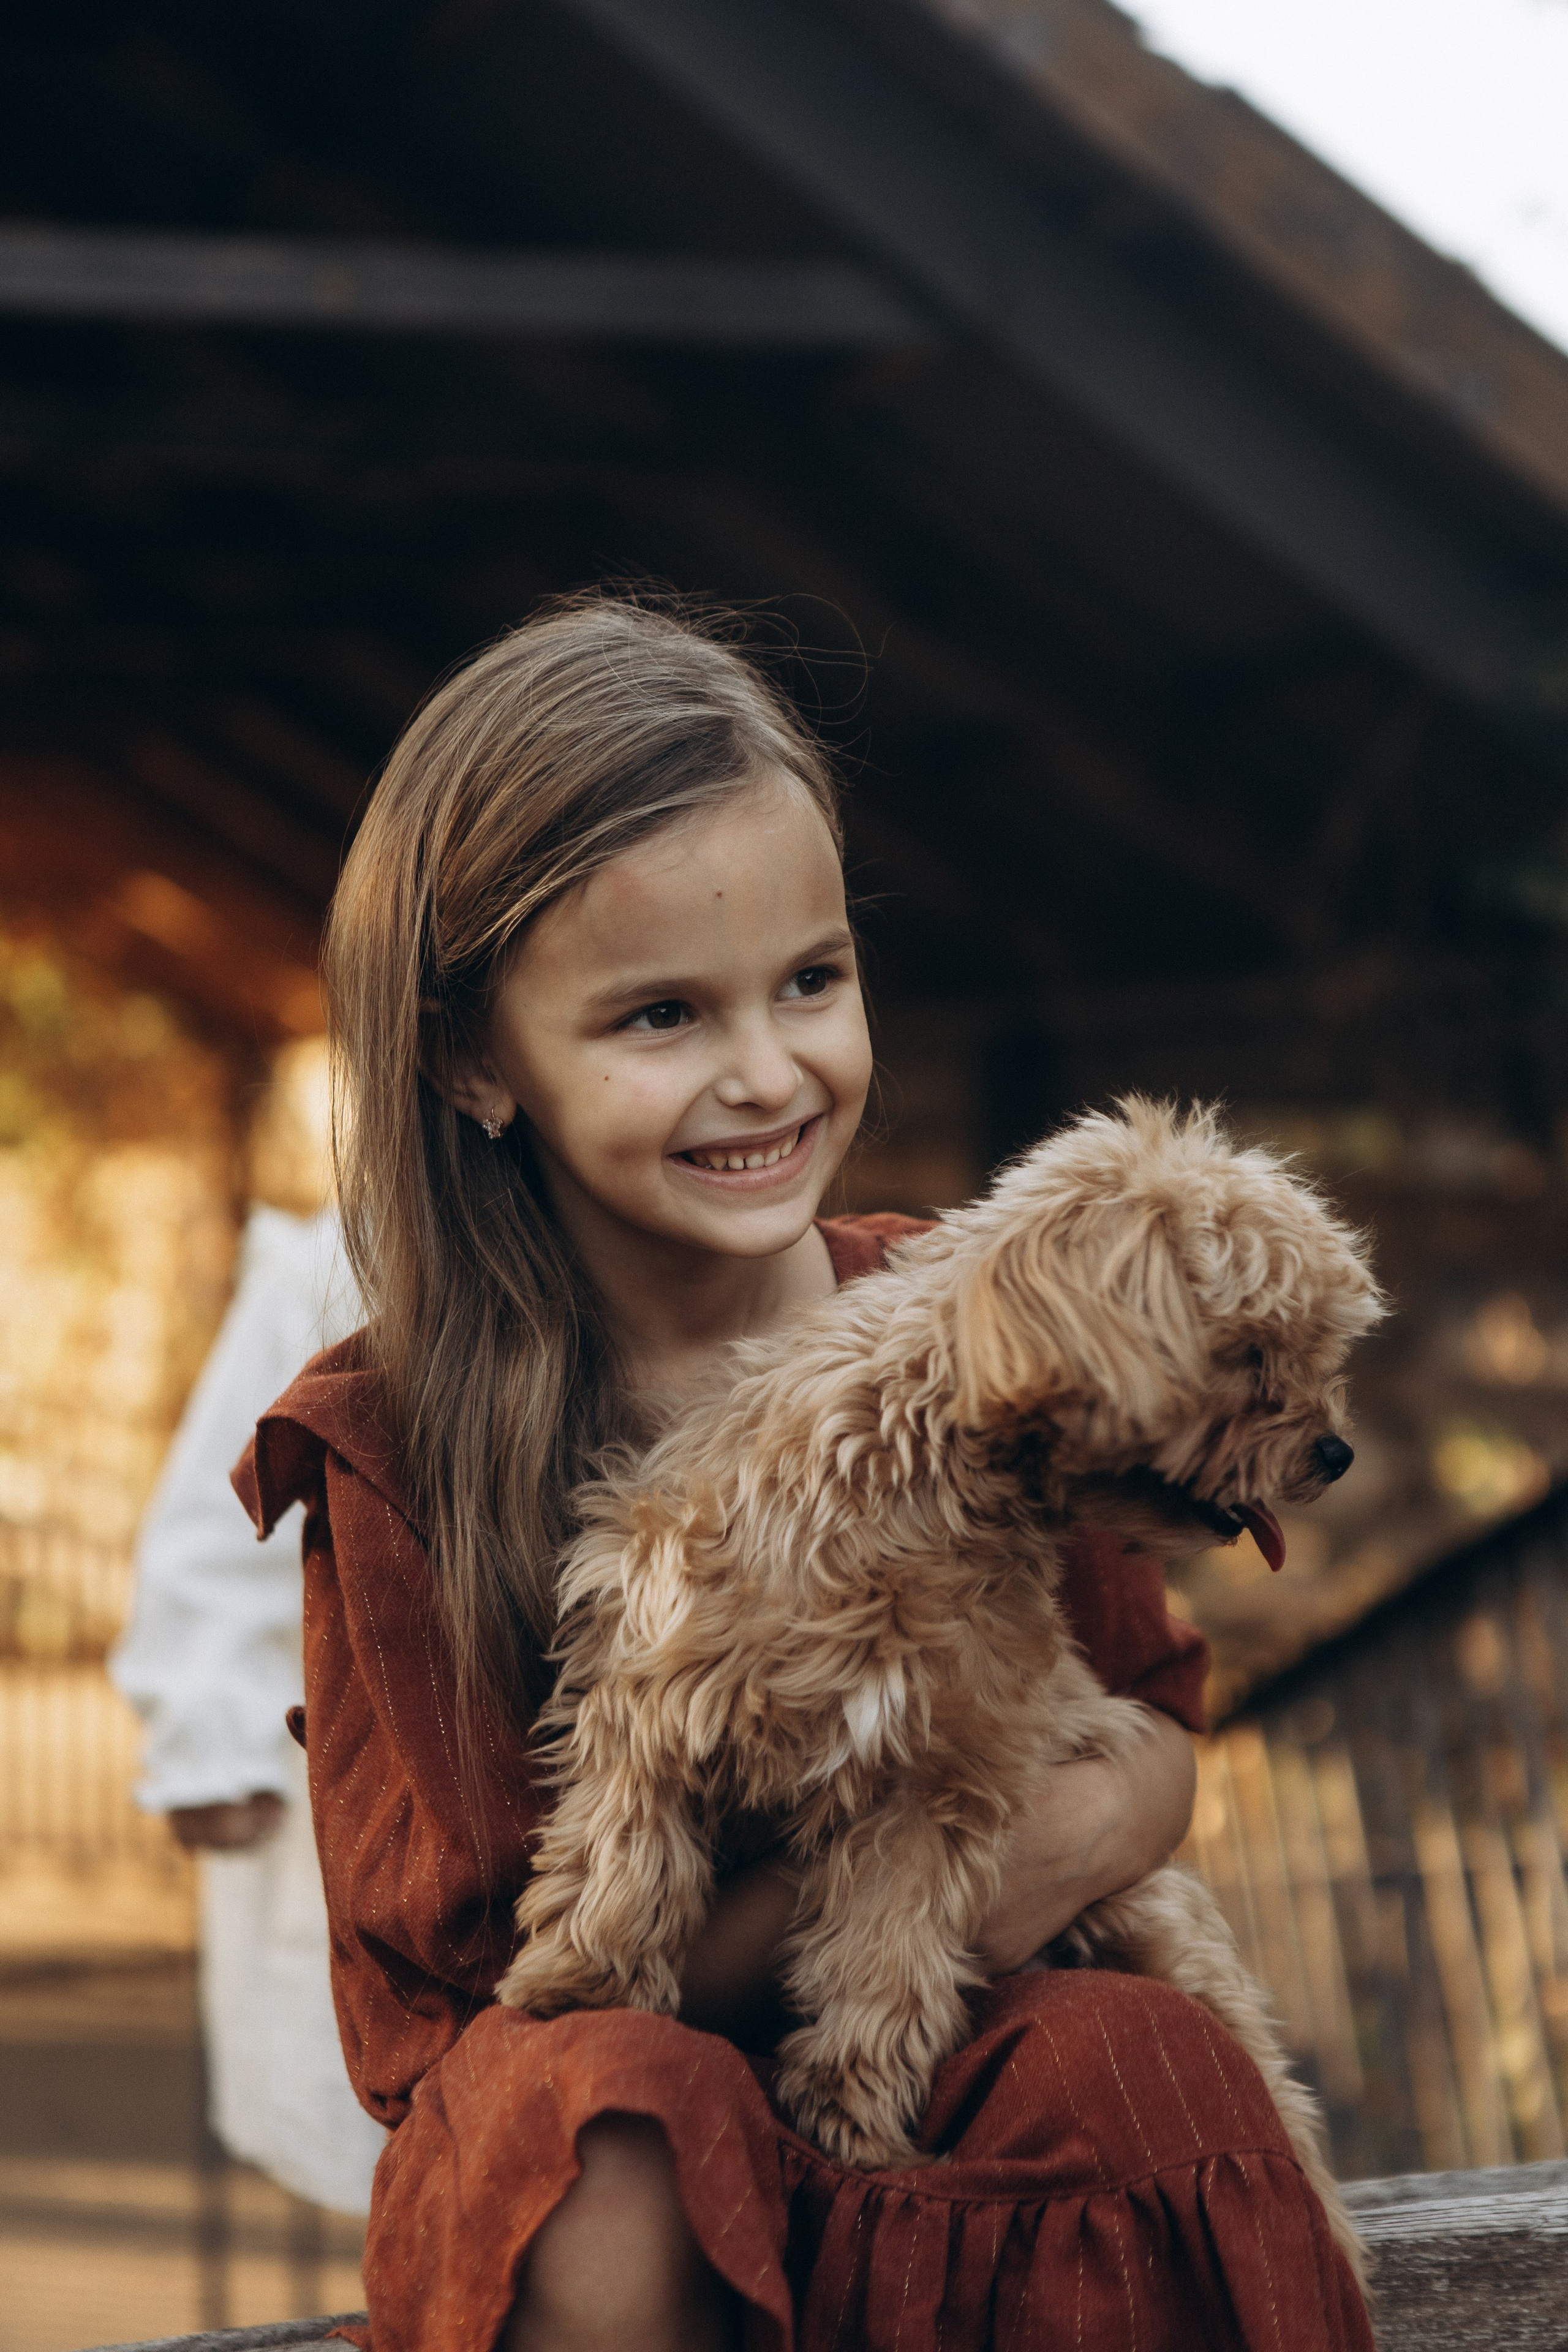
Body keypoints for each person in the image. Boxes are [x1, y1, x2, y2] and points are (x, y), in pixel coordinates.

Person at [235, 597, 1372, 2351]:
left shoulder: (970, 1328)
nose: (767, 1072)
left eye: (813, 981)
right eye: (662, 1015)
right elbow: (482, 2009)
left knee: (1134, 2057)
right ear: (471, 1059)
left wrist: (1050, 1834)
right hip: (631, 2056)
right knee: (607, 2137)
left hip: (963, 2023)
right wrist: (920, 1893)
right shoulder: (405, 1454)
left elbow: (1145, 1744)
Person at [113, 1100, 388, 2217]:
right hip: (364, 1784)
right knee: (402, 2163)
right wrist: (210, 1737)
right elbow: (210, 1539)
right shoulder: (338, 1273)